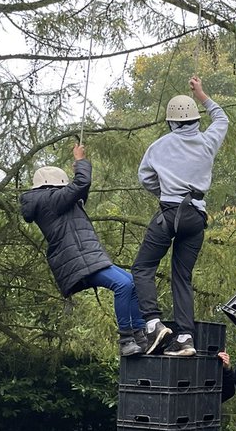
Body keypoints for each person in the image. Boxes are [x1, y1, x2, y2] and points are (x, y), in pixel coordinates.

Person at [132, 76, 228, 356]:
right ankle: (185, 337)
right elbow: (221, 118)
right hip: (196, 216)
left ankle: (153, 323)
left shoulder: (158, 147)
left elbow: (145, 177)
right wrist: (201, 94)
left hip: (171, 212)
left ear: (171, 123)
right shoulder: (208, 141)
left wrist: (165, 191)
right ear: (196, 119)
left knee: (142, 268)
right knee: (182, 277)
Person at [20, 144, 145, 356]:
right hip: (79, 259)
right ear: (56, 185)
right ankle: (127, 338)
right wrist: (80, 161)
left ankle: (140, 332)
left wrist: (80, 171)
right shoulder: (50, 200)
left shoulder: (53, 201)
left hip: (82, 257)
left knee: (132, 282)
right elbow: (81, 182)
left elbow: (80, 190)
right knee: (124, 284)